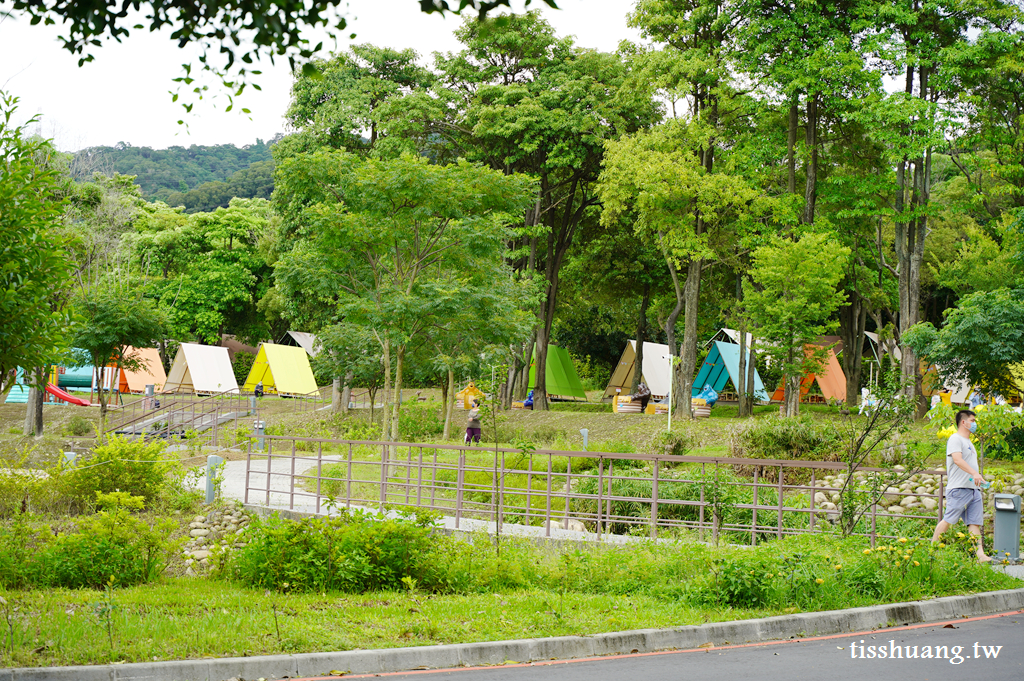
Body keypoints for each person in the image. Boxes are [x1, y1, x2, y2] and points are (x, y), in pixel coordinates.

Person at [932, 409, 990, 562]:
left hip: (973, 489)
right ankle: (932, 550)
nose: (975, 424)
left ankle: (980, 555)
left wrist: (978, 478)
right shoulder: (955, 439)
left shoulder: (969, 442)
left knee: (974, 522)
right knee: (949, 519)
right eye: (972, 421)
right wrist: (974, 474)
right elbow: (957, 460)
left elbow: (969, 464)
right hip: (958, 488)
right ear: (963, 422)